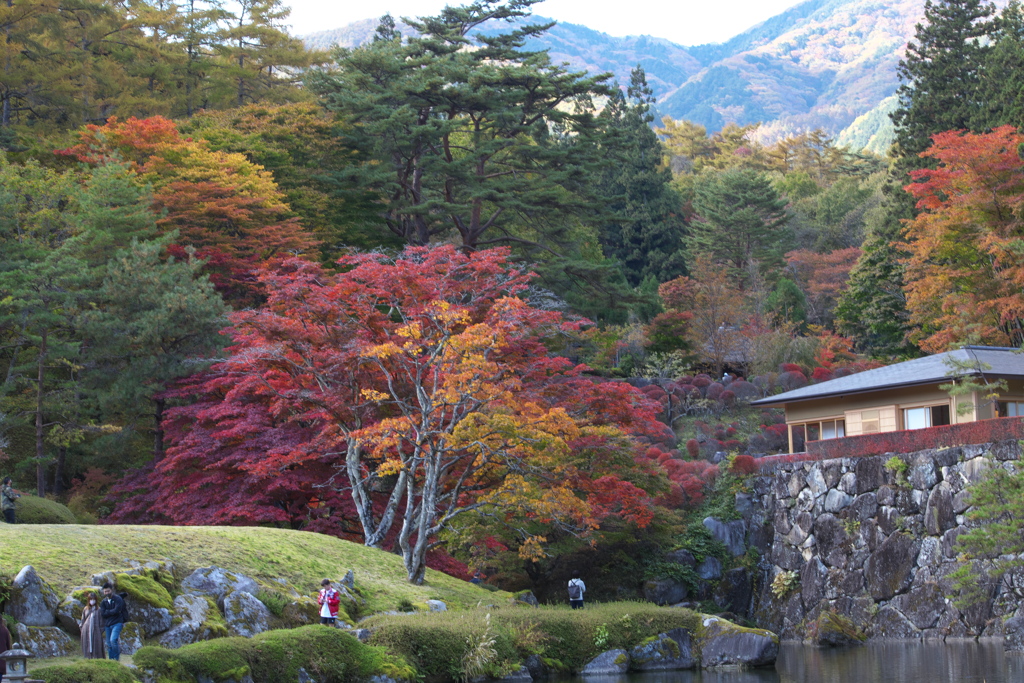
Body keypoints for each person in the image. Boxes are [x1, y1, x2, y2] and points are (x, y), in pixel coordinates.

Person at [99, 582, 126, 661]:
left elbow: (117, 610)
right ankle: (111, 660)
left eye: (108, 591)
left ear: (111, 590)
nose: (107, 593)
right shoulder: (103, 602)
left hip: (117, 622)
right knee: (108, 643)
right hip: (108, 624)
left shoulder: (118, 599)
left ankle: (116, 659)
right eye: (105, 591)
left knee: (113, 640)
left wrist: (108, 612)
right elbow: (103, 613)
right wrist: (111, 612)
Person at [80, 590, 105, 659]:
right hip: (86, 631)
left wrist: (100, 631)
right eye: (91, 599)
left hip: (96, 631)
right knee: (87, 645)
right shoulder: (85, 609)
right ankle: (88, 658)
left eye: (94, 600)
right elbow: (82, 620)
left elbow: (102, 622)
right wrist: (82, 630)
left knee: (96, 646)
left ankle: (97, 659)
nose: (92, 601)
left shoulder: (99, 609)